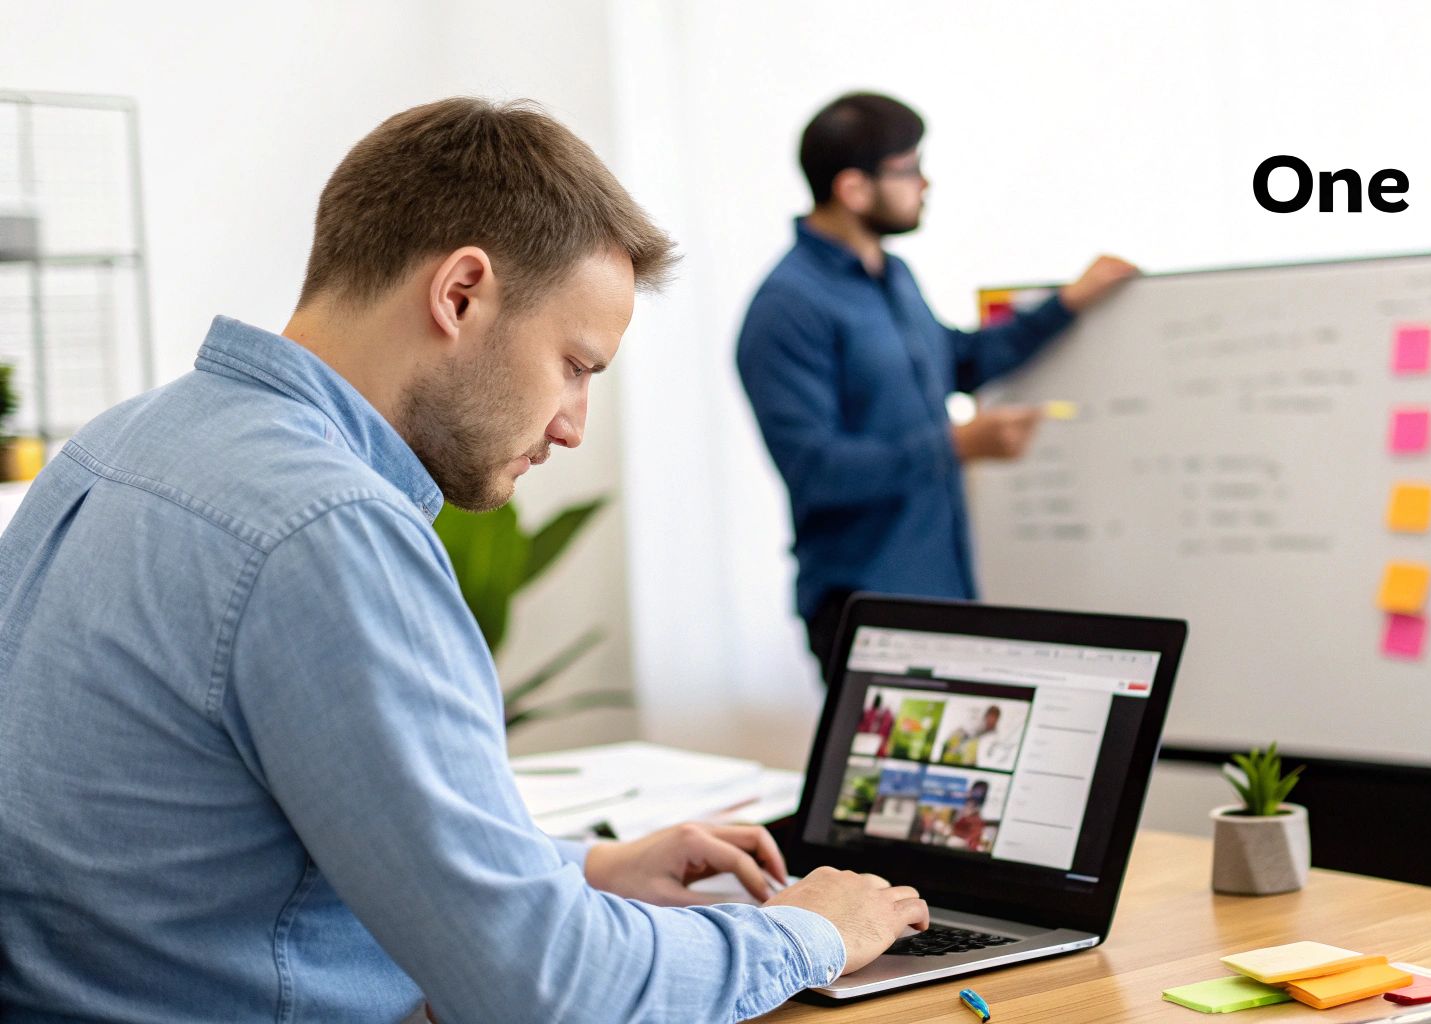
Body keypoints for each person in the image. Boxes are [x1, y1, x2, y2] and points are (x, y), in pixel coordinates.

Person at [0, 98, 927, 1023]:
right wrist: (810, 931)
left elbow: (249, 841)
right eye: (575, 364)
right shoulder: (326, 527)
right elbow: (551, 993)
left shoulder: (120, 443)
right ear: (460, 294)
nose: (571, 425)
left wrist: (583, 867)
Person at [736, 92, 1137, 681]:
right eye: (908, 168)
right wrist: (956, 446)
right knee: (893, 776)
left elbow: (960, 360)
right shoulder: (787, 308)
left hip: (942, 587)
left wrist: (1067, 304)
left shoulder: (892, 275)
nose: (925, 183)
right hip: (865, 604)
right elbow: (816, 470)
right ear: (853, 188)